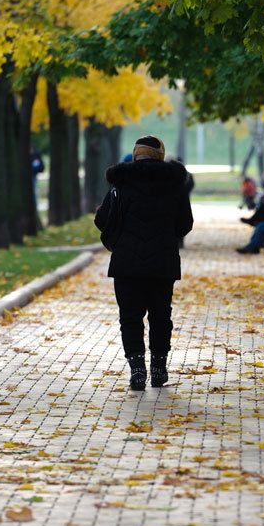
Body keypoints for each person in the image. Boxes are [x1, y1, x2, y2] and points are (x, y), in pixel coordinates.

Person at [94, 136, 193, 391]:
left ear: (136, 154)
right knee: (161, 315)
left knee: (130, 317)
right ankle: (159, 368)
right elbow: (185, 224)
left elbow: (102, 219)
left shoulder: (121, 183)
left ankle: (137, 369)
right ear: (159, 154)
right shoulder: (175, 184)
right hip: (162, 262)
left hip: (126, 263)